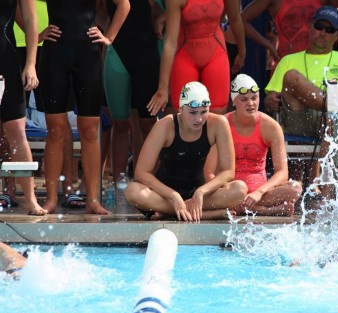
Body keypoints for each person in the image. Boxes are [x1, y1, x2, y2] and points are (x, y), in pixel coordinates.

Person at [38, 0, 130, 215]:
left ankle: (93, 200)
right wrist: (36, 33)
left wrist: (109, 37)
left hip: (87, 54)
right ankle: (51, 199)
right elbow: (19, 6)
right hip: (54, 53)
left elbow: (124, 5)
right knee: (56, 129)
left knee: (90, 130)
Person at [264, 6, 338, 189]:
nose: (323, 33)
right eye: (319, 26)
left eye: (329, 30)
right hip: (300, 119)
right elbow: (271, 97)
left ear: (337, 35)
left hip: (335, 122)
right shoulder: (288, 60)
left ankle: (321, 187)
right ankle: (331, 104)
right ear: (310, 27)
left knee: (332, 115)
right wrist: (269, 100)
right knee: (292, 76)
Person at [125, 82, 247, 221]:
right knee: (133, 191)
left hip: (199, 196)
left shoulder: (218, 124)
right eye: (193, 113)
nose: (199, 119)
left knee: (239, 189)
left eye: (203, 112)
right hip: (164, 197)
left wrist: (201, 192)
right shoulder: (165, 126)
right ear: (181, 109)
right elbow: (141, 173)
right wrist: (173, 196)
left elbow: (228, 172)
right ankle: (200, 213)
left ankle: (171, 213)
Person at [207, 74, 303, 216]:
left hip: (261, 195)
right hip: (230, 192)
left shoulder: (270, 127)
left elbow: (282, 172)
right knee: (212, 193)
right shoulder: (222, 125)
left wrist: (259, 192)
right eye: (244, 99)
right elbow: (209, 172)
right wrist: (228, 192)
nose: (251, 103)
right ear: (234, 101)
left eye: (254, 98)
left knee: (295, 188)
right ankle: (261, 211)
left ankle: (249, 208)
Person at [146, 0, 246, 115]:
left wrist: (242, 52)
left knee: (217, 112)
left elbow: (235, 19)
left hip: (215, 51)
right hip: (185, 53)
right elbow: (170, 43)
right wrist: (162, 88)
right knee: (182, 112)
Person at [103, 0, 162, 183]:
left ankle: (149, 183)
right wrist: (107, 37)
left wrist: (165, 16)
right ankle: (117, 186)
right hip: (118, 52)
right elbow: (98, 11)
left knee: (148, 123)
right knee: (120, 124)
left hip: (147, 53)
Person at [0, 0, 48, 215]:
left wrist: (30, 64)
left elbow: (30, 20)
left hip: (6, 58)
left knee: (17, 132)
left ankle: (30, 199)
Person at [240, 0, 338, 70]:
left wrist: (332, 37)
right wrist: (269, 45)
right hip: (287, 64)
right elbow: (242, 20)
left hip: (318, 63)